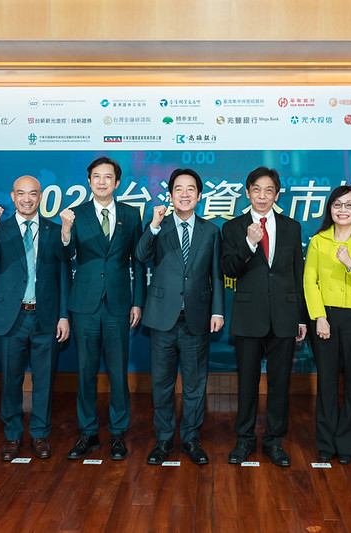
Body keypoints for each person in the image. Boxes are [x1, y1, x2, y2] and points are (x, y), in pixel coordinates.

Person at [0, 175, 71, 461]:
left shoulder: (55, 230)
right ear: (13, 196)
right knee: (10, 380)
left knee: (44, 380)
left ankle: (40, 434)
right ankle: (13, 435)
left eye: (32, 194)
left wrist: (64, 315)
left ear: (40, 197)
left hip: (46, 317)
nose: (27, 199)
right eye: (21, 193)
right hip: (11, 318)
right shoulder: (0, 228)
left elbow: (64, 274)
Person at [135, 168, 224, 466]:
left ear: (199, 196)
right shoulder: (158, 226)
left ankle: (191, 439)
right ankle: (163, 440)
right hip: (162, 319)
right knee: (161, 384)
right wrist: (154, 226)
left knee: (195, 385)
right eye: (178, 189)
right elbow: (141, 256)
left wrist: (217, 310)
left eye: (190, 189)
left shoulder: (211, 231)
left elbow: (216, 275)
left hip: (197, 319)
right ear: (170, 195)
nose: (184, 194)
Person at [60, 156, 145, 461]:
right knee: (85, 371)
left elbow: (139, 259)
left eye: (108, 177)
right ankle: (88, 432)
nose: (102, 182)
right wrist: (66, 231)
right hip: (84, 304)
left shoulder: (131, 215)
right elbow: (65, 255)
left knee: (118, 372)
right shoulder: (75, 214)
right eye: (96, 176)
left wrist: (138, 301)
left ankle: (118, 432)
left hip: (119, 303)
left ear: (117, 182)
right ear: (89, 180)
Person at [220, 166, 307, 467]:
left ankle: (274, 441)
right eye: (256, 189)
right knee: (247, 383)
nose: (262, 195)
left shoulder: (291, 227)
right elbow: (229, 269)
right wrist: (249, 243)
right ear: (247, 192)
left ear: (277, 195)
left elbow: (297, 274)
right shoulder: (233, 227)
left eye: (269, 190)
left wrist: (301, 317)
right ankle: (244, 440)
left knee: (280, 384)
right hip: (249, 316)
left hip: (284, 315)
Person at [303, 185, 351, 465]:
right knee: (326, 382)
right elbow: (309, 281)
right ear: (330, 209)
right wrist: (319, 317)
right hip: (326, 318)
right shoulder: (318, 241)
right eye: (337, 205)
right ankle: (325, 443)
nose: (343, 210)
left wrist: (350, 265)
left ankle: (348, 443)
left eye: (349, 205)